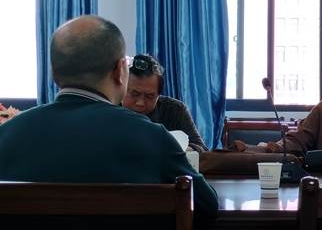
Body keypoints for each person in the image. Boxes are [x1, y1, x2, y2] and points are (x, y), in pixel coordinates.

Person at [0, 15, 218, 220]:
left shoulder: (7, 134)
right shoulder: (152, 136)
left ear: (53, 73)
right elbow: (207, 204)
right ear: (120, 70)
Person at [123, 54, 208, 152]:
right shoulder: (110, 111)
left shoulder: (175, 110)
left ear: (158, 95)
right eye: (135, 94)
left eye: (149, 96)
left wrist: (171, 150)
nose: (140, 103)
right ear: (121, 88)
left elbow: (201, 149)